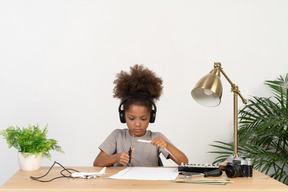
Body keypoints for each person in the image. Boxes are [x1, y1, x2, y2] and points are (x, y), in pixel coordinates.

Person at [93, 65, 188, 167]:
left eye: (143, 119)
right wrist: (115, 158)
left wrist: (167, 145)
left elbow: (184, 162)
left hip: (149, 182)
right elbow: (97, 163)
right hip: (122, 183)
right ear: (123, 116)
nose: (137, 124)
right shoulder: (117, 136)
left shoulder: (156, 138)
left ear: (151, 117)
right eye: (131, 118)